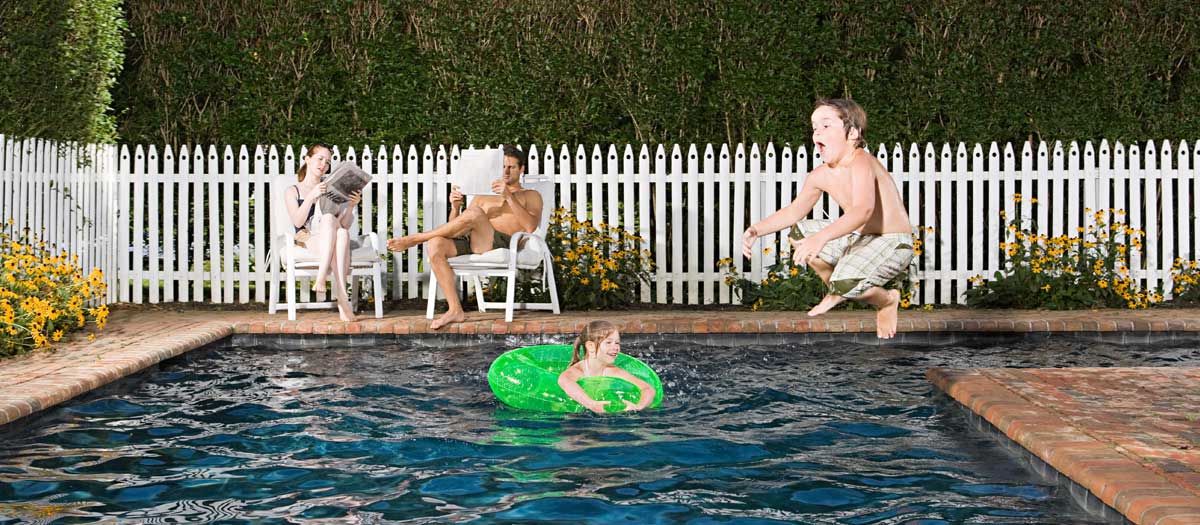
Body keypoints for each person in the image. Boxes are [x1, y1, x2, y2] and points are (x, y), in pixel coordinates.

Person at [742, 99, 913, 339]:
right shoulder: (819, 175)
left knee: (845, 281)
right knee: (800, 232)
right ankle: (835, 285)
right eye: (814, 127)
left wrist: (821, 238)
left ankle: (887, 301)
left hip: (894, 241)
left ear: (852, 133)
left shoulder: (861, 161)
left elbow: (863, 210)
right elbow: (794, 212)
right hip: (861, 239)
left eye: (826, 125)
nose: (817, 132)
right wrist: (756, 230)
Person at [386, 145, 543, 329]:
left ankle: (417, 238)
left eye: (512, 167)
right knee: (436, 244)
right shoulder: (483, 195)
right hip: (474, 241)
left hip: (503, 243)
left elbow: (531, 226)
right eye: (503, 167)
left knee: (474, 212)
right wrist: (455, 208)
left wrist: (509, 197)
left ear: (522, 169)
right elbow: (456, 227)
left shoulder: (530, 195)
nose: (506, 171)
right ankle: (455, 310)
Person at [285, 143, 363, 322]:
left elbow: (343, 225)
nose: (323, 165)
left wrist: (351, 206)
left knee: (337, 228)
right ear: (307, 159)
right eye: (320, 159)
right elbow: (297, 222)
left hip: (330, 233)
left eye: (327, 162)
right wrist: (312, 196)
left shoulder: (332, 187)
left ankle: (329, 285)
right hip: (307, 236)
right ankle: (342, 299)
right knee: (337, 230)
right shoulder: (293, 190)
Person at [557, 320, 655, 414]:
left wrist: (639, 406)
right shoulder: (579, 370)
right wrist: (591, 404)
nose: (615, 347)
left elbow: (648, 388)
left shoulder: (612, 371)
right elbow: (563, 380)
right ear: (590, 346)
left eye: (617, 343)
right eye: (608, 342)